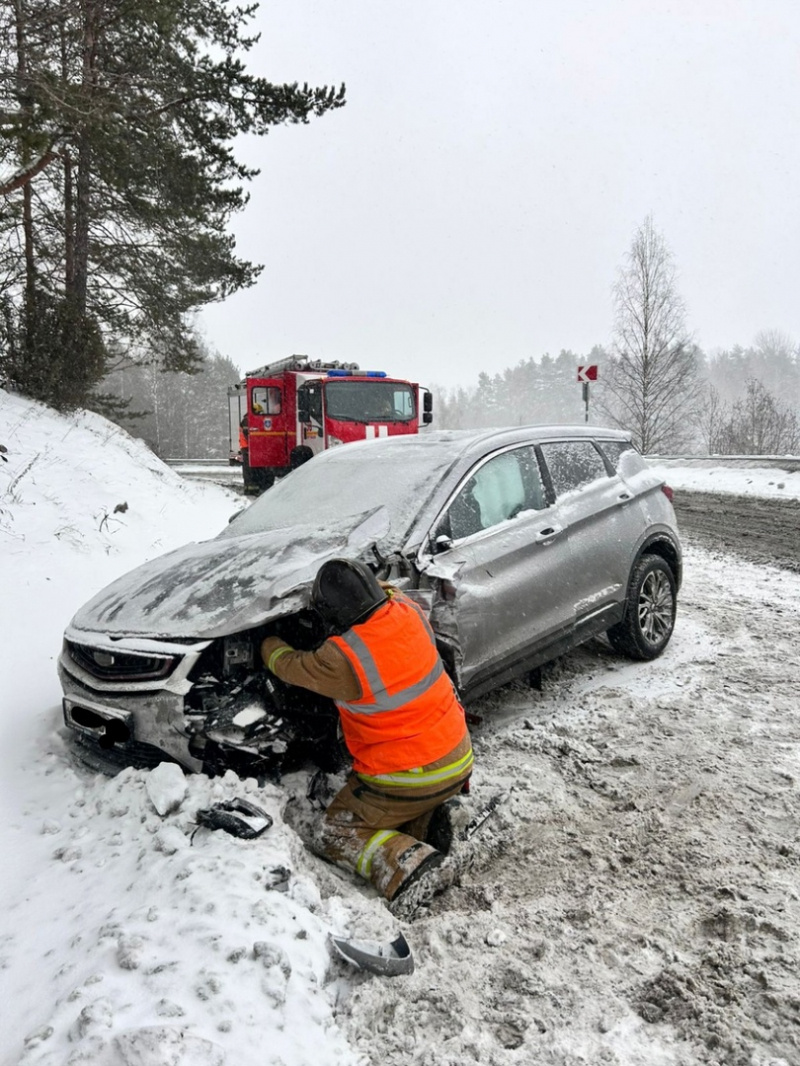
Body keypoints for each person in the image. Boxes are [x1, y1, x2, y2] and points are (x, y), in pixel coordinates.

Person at [260, 558, 473, 910]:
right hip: (458, 755)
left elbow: (287, 666)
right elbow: (387, 591)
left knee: (335, 831)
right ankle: (431, 818)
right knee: (405, 799)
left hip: (410, 775)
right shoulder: (409, 609)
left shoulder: (342, 658)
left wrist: (267, 642)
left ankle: (407, 866)